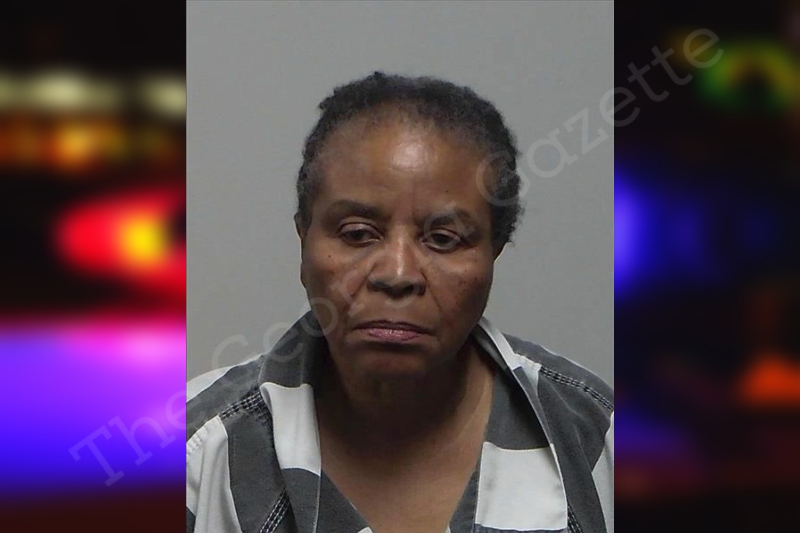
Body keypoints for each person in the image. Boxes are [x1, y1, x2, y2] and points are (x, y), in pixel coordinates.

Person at [186, 72, 613, 533]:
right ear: (303, 242)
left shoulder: (596, 435)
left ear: (494, 252)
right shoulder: (194, 448)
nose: (398, 274)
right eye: (357, 234)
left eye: (444, 239)